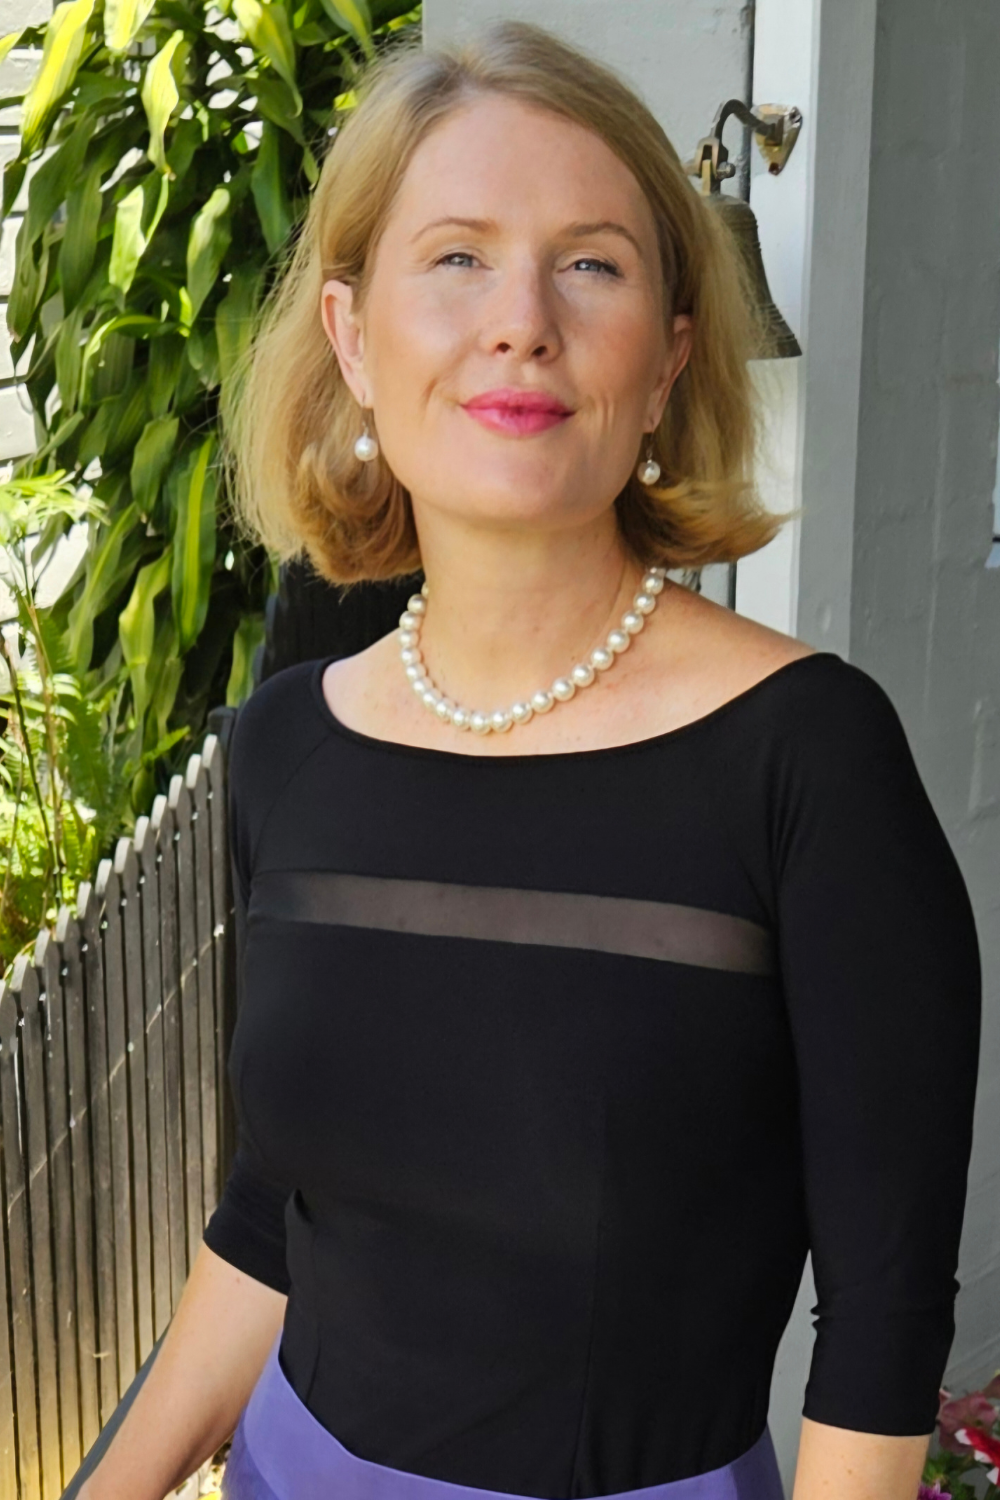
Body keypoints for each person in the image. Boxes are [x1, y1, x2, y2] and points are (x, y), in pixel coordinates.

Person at [80, 20, 982, 1500]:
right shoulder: (290, 744)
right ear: (355, 335)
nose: (521, 322)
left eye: (592, 263)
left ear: (668, 356)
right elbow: (272, 1218)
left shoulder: (811, 759)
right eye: (455, 257)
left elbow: (881, 1330)